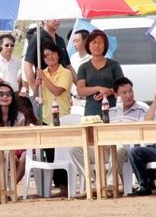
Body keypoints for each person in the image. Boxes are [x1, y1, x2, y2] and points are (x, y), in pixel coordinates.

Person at [70, 77, 148, 192]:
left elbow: (140, 133)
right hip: (107, 147)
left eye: (130, 91)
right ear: (116, 95)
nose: (128, 95)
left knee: (119, 148)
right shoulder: (111, 111)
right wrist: (106, 143)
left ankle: (109, 184)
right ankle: (94, 185)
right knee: (75, 149)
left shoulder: (141, 110)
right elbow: (102, 131)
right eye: (124, 92)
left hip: (127, 148)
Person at [36, 41, 74, 196]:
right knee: (51, 153)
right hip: (46, 117)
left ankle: (66, 186)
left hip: (62, 117)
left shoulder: (66, 73)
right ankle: (59, 186)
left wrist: (44, 78)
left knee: (62, 153)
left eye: (52, 53)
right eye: (46, 55)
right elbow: (35, 92)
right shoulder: (42, 72)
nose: (49, 57)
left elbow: (58, 91)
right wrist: (37, 82)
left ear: (58, 54)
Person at [23, 20, 76, 103]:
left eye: (59, 18)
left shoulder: (60, 40)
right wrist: (36, 92)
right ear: (45, 19)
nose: (57, 20)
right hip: (45, 92)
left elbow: (68, 66)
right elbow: (27, 67)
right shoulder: (37, 39)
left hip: (63, 89)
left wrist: (80, 87)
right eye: (54, 17)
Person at [76, 30, 124, 117]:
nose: (97, 46)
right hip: (91, 111)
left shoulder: (114, 65)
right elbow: (80, 90)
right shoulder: (83, 67)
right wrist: (98, 88)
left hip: (112, 110)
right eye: (93, 42)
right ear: (88, 45)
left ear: (105, 45)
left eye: (100, 42)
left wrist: (109, 91)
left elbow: (122, 87)